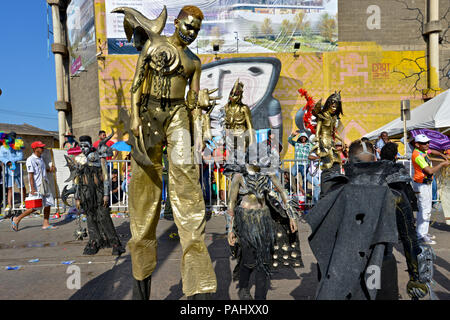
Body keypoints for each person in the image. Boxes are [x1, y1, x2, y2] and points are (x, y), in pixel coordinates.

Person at [113, 5, 218, 299]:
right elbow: (136, 83)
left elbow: (193, 101)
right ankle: (141, 281)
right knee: (145, 195)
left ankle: (199, 286)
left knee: (187, 185)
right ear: (176, 22)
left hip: (177, 116)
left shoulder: (194, 62)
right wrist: (133, 116)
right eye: (187, 25)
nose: (191, 32)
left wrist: (203, 108)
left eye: (196, 29)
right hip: (148, 114)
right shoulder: (154, 44)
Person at [306, 139, 436, 300]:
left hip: (340, 266)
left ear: (348, 160)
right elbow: (408, 236)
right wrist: (415, 277)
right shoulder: (393, 190)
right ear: (375, 159)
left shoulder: (336, 188)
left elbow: (323, 231)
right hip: (380, 266)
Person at [226, 159, 302, 300]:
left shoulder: (268, 172)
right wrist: (230, 229)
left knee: (264, 260)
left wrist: (292, 216)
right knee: (248, 259)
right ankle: (243, 288)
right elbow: (231, 203)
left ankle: (260, 298)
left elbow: (283, 192)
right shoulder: (239, 175)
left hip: (264, 220)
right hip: (246, 221)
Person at [62, 135, 126, 256]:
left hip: (99, 191)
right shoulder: (78, 159)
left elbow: (106, 176)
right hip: (86, 193)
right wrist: (77, 197)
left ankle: (115, 243)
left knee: (104, 216)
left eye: (85, 145)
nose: (83, 148)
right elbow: (77, 180)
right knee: (91, 217)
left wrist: (106, 194)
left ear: (90, 145)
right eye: (80, 146)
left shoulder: (99, 157)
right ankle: (94, 242)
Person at [411, 134, 450, 245]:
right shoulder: (418, 155)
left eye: (428, 142)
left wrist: (443, 155)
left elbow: (432, 151)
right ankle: (420, 235)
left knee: (425, 210)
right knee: (424, 210)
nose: (427, 144)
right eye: (424, 143)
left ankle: (423, 232)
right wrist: (442, 163)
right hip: (421, 185)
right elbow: (430, 171)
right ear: (417, 144)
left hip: (425, 184)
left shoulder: (423, 152)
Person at [10, 141, 56, 231]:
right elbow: (30, 175)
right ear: (35, 149)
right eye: (41, 147)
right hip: (37, 186)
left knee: (48, 204)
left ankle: (46, 223)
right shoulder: (30, 160)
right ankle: (17, 219)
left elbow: (41, 171)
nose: (42, 149)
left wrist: (49, 170)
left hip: (45, 184)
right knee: (34, 207)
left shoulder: (41, 158)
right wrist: (32, 188)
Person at [0, 132, 27, 210]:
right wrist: (7, 161)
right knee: (9, 188)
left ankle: (23, 202)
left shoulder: (18, 145)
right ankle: (9, 204)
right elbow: (1, 157)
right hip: (8, 171)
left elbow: (20, 156)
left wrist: (11, 161)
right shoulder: (2, 147)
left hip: (18, 170)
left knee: (21, 187)